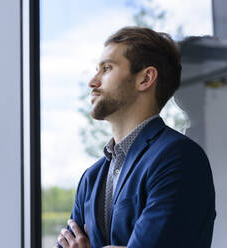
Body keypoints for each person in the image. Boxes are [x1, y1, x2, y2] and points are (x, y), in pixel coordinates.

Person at [55, 26, 216, 248]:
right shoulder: (90, 178)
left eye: (107, 68)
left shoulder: (180, 158)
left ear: (145, 78)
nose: (92, 82)